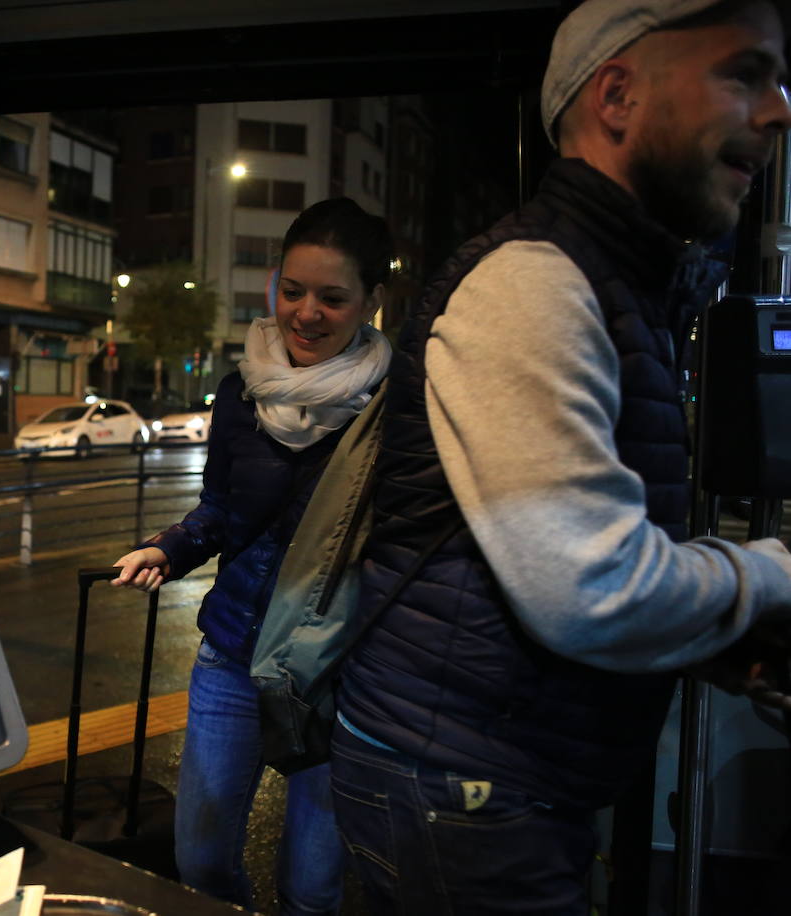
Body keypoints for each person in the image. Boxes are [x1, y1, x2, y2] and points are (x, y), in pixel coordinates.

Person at [329, 1, 791, 913]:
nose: (778, 108)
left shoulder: (614, 284)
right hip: (465, 789)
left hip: (492, 777)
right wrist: (774, 574)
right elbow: (590, 590)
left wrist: (716, 640)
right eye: (742, 73)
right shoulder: (533, 284)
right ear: (616, 95)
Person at [110, 198, 394, 916]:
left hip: (337, 672)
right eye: (293, 291)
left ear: (370, 302)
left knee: (312, 886)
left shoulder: (396, 406)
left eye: (332, 298)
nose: (306, 313)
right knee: (199, 858)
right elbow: (221, 510)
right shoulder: (243, 392)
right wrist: (166, 548)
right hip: (233, 653)